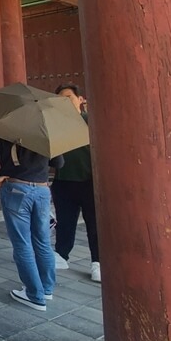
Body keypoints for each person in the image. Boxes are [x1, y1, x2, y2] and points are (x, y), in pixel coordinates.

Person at [0, 136, 64, 312]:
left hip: (16, 188)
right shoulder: (44, 130)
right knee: (43, 242)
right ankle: (46, 289)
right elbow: (59, 162)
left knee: (22, 243)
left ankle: (34, 295)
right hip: (41, 190)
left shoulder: (3, 129)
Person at [52, 83, 100, 283]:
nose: (65, 101)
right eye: (61, 99)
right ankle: (61, 255)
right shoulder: (56, 125)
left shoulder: (91, 121)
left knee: (94, 224)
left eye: (69, 97)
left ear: (80, 100)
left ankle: (97, 262)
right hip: (63, 181)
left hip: (88, 181)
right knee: (65, 222)